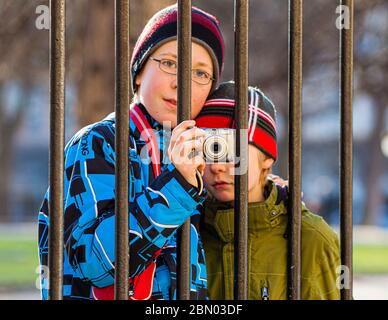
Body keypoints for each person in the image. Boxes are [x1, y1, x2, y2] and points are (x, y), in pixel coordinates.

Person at [37, 4, 225, 300]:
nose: (181, 82)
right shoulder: (98, 142)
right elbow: (94, 262)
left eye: (200, 73)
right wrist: (176, 186)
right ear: (138, 73)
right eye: (170, 63)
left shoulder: (197, 156)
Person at [195, 81, 341, 300]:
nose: (217, 166)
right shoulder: (186, 232)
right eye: (209, 148)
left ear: (267, 158)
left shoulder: (310, 239)